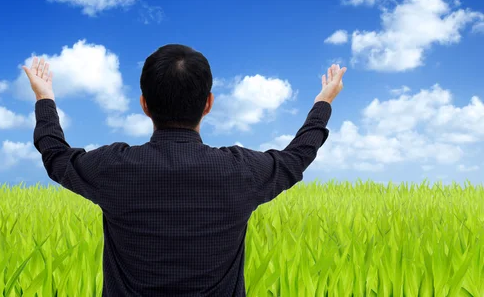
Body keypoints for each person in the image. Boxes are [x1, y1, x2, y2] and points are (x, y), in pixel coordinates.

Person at [23, 44, 346, 297]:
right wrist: (323, 102)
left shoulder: (115, 168)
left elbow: (56, 156)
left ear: (144, 104)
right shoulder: (238, 171)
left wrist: (44, 97)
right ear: (208, 103)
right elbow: (296, 158)